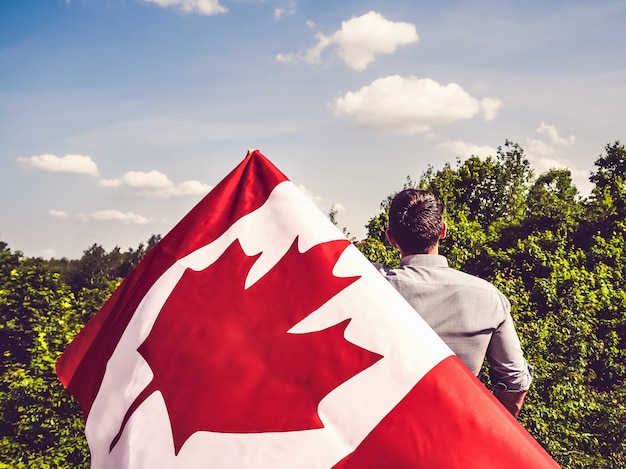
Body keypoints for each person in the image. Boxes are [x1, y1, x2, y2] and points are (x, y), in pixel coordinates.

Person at [377, 189, 533, 417]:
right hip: (455, 437)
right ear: (443, 231)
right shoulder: (488, 297)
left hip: (379, 437)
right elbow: (515, 382)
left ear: (391, 238)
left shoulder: (368, 285)